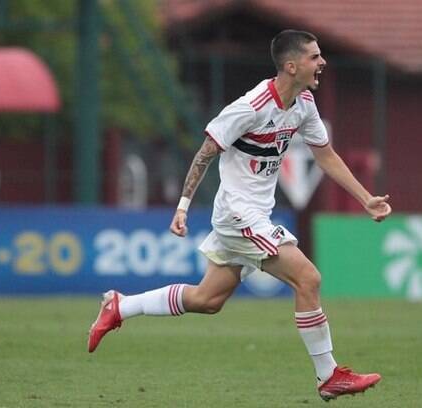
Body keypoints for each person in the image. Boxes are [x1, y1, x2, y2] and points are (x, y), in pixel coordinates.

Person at [88, 29, 391, 401]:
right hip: (238, 216)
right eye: (315, 57)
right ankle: (328, 376)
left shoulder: (304, 104)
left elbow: (324, 155)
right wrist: (182, 208)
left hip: (253, 215)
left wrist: (365, 199)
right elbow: (204, 153)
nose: (322, 62)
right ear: (291, 66)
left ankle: (120, 305)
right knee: (308, 279)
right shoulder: (249, 107)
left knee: (207, 300)